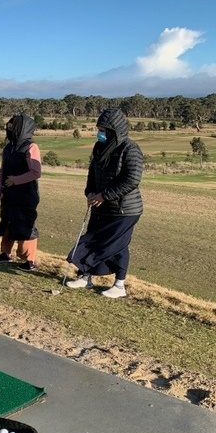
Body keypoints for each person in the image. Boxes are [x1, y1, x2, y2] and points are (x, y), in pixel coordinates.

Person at [66, 108, 144, 298]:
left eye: (103, 130)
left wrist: (104, 195)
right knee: (93, 239)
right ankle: (85, 277)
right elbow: (92, 174)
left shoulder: (130, 149)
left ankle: (119, 285)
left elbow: (132, 179)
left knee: (115, 245)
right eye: (98, 129)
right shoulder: (99, 148)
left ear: (114, 130)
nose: (99, 133)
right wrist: (90, 193)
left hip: (125, 210)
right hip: (102, 207)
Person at [0, 113, 42, 271]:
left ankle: (29, 260)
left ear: (21, 128)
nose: (9, 129)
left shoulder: (31, 147)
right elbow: (2, 170)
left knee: (25, 224)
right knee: (7, 221)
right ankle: (5, 253)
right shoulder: (8, 147)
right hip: (8, 193)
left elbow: (35, 172)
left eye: (12, 126)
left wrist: (15, 180)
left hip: (26, 195)